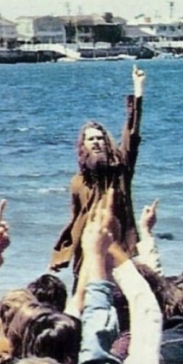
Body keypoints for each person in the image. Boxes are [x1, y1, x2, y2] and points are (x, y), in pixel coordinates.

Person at [51, 65, 146, 279]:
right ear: (83, 146)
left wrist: (138, 90)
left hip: (120, 249)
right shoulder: (78, 182)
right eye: (91, 139)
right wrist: (63, 253)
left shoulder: (121, 169)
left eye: (99, 138)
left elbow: (132, 134)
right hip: (89, 251)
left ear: (106, 143)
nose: (96, 142)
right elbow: (76, 219)